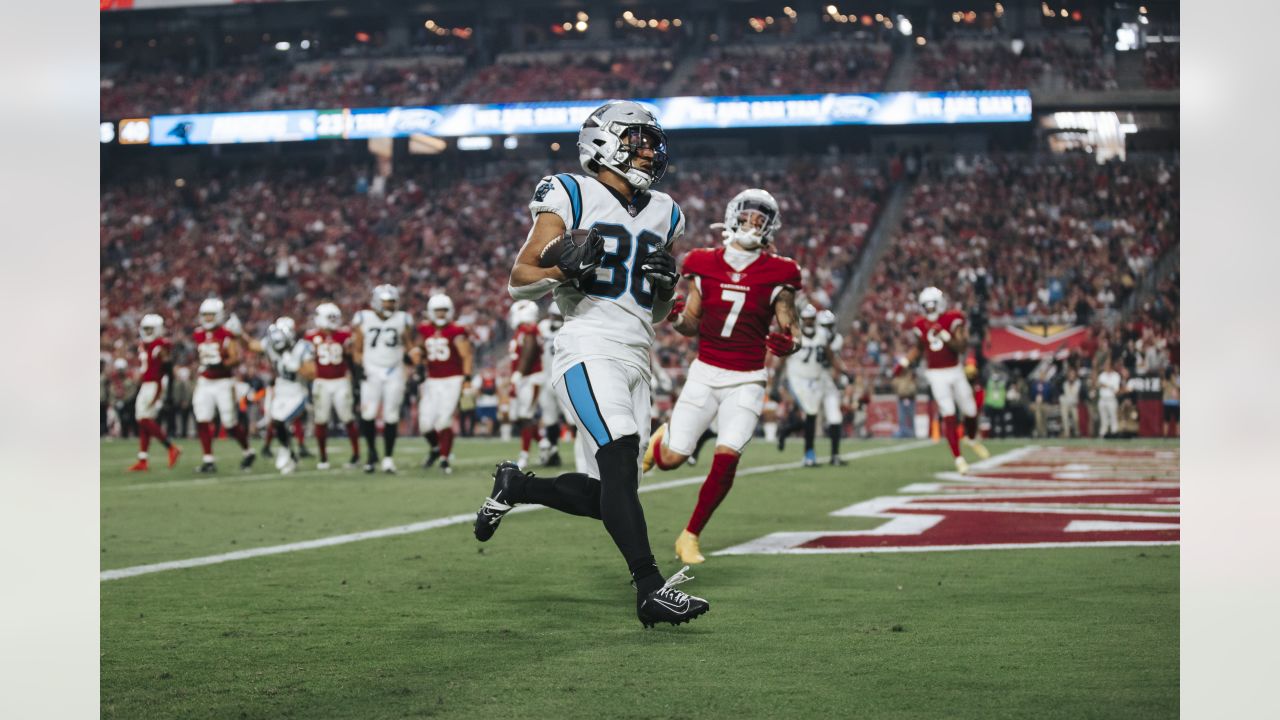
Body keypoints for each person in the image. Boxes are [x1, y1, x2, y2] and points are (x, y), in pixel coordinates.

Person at [472, 100, 709, 628]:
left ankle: (518, 486)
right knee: (621, 455)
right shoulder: (571, 191)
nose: (650, 151)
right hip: (586, 344)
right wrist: (563, 270)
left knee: (611, 493)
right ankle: (650, 589)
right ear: (603, 143)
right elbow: (520, 277)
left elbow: (658, 312)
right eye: (638, 140)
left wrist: (667, 290)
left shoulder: (666, 211)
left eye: (651, 142)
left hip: (636, 353)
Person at [642, 187, 803, 564]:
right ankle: (659, 443)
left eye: (759, 220)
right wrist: (676, 317)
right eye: (747, 216)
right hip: (705, 373)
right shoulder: (702, 261)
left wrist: (788, 343)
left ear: (770, 227)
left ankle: (690, 535)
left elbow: (791, 329)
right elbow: (691, 323)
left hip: (747, 379)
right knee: (674, 459)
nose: (752, 223)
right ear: (732, 217)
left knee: (728, 456)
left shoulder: (782, 271)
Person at [894, 287, 989, 472]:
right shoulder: (920, 324)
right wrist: (904, 362)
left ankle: (970, 439)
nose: (930, 310)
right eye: (926, 307)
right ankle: (958, 458)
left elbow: (961, 347)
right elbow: (919, 348)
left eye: (932, 306)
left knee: (970, 410)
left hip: (955, 369)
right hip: (936, 374)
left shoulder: (952, 319)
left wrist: (945, 335)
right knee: (949, 413)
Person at [352, 285, 416, 473]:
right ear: (376, 302)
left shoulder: (402, 319)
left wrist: (413, 361)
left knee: (391, 415)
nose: (389, 305)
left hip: (394, 371)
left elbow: (408, 344)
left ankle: (388, 457)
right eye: (386, 301)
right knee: (368, 414)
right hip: (370, 370)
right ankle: (371, 454)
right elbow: (357, 347)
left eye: (392, 302)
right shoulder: (363, 318)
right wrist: (358, 369)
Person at [191, 298, 255, 473]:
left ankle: (248, 451)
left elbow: (236, 357)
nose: (208, 319)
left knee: (229, 423)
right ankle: (208, 459)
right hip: (205, 381)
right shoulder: (198, 333)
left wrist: (221, 362)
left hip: (223, 381)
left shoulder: (227, 334)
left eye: (211, 315)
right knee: (202, 419)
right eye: (205, 315)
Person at [413, 293, 473, 475]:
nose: (440, 314)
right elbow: (420, 350)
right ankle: (435, 449)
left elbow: (466, 355)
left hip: (452, 379)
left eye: (444, 310)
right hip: (432, 380)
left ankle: (444, 458)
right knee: (425, 424)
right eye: (437, 311)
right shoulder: (424, 329)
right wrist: (417, 359)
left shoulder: (457, 330)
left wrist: (467, 380)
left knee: (444, 420)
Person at [782, 305, 848, 467]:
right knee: (810, 415)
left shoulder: (832, 339)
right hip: (814, 378)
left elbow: (832, 357)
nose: (827, 329)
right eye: (825, 326)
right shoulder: (815, 336)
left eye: (829, 326)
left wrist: (844, 374)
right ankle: (806, 450)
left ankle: (834, 455)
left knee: (834, 416)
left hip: (826, 380)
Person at [304, 302, 361, 470]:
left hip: (340, 380)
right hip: (321, 381)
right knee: (321, 420)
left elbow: (352, 356)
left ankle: (356, 455)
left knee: (347, 418)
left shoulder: (344, 335)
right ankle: (323, 457)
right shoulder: (310, 337)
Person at [126, 314, 181, 471]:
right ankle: (143, 459)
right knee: (143, 419)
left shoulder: (160, 345)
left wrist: (167, 392)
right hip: (146, 384)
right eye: (146, 329)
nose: (148, 332)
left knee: (143, 418)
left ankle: (171, 447)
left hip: (155, 384)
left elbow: (168, 368)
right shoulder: (145, 344)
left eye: (151, 329)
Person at [506, 299, 544, 469]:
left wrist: (519, 374)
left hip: (531, 378)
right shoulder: (522, 330)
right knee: (521, 417)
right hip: (525, 378)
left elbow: (528, 351)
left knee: (526, 416)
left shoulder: (528, 330)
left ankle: (524, 455)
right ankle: (544, 443)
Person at [535, 304, 571, 467]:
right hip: (545, 377)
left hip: (565, 377)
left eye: (558, 316)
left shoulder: (571, 327)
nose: (555, 319)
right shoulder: (542, 328)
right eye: (553, 316)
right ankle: (553, 450)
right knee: (549, 419)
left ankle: (586, 453)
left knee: (572, 418)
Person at [1096, 360, 1122, 438]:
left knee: (1113, 417)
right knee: (1103, 418)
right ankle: (1103, 434)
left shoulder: (1116, 375)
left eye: (1107, 365)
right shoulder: (1102, 375)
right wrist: (1109, 386)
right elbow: (1099, 385)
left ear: (1110, 366)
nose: (1105, 367)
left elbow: (1116, 389)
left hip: (1111, 399)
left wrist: (1106, 385)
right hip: (1102, 399)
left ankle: (1114, 433)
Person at [1059, 366, 1081, 438]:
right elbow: (1064, 396)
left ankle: (1077, 432)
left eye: (1073, 374)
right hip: (1067, 404)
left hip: (1074, 404)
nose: (1071, 376)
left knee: (1075, 418)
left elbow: (1074, 395)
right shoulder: (1065, 384)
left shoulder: (1078, 383)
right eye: (1070, 374)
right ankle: (1067, 433)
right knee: (1064, 412)